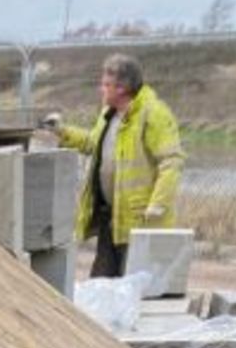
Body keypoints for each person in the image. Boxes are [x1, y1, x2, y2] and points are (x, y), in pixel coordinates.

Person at [43, 53, 184, 277]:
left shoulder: (153, 113)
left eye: (106, 84)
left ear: (122, 88)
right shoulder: (109, 114)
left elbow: (171, 161)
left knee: (131, 283)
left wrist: (158, 204)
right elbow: (92, 144)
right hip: (111, 218)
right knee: (102, 282)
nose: (101, 89)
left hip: (139, 221)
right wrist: (62, 131)